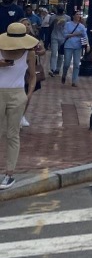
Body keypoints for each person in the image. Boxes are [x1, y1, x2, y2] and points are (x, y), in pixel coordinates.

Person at [0, 22, 38, 189]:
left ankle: (9, 173)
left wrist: (28, 95)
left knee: (12, 134)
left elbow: (32, 75)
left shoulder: (29, 52)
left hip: (17, 94)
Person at [60, 11, 89, 86]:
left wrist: (87, 45)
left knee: (76, 64)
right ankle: (64, 74)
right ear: (73, 16)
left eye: (80, 14)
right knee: (66, 63)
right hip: (68, 45)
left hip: (78, 46)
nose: (78, 16)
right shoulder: (68, 24)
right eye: (77, 14)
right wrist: (76, 34)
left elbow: (85, 36)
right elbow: (65, 35)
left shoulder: (82, 26)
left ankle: (74, 81)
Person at [49, 6, 67, 75]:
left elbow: (68, 26)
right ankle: (52, 69)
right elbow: (49, 25)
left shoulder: (67, 17)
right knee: (54, 53)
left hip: (63, 37)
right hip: (54, 36)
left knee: (60, 54)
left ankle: (58, 68)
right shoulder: (53, 17)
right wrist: (54, 21)